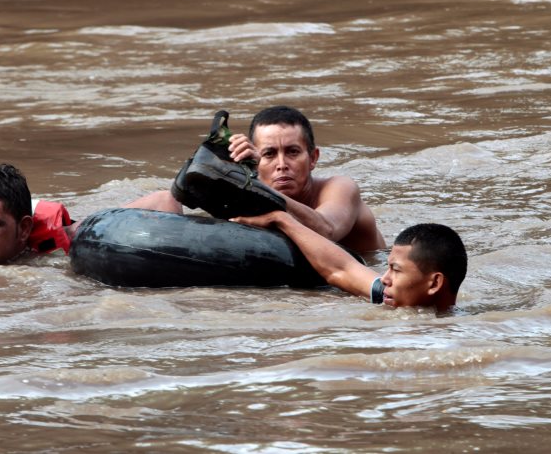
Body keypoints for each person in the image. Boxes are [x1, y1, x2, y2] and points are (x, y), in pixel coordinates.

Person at [131, 106, 386, 252]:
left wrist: (256, 187)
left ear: (313, 158)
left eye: (293, 152)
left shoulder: (339, 187)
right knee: (164, 200)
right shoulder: (248, 186)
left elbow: (327, 230)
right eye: (269, 154)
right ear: (254, 159)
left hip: (367, 269)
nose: (281, 164)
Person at [232, 211, 467, 312]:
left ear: (434, 283)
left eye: (395, 270)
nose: (384, 279)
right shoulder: (390, 296)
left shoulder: (462, 335)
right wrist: (281, 219)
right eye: (387, 267)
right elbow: (340, 269)